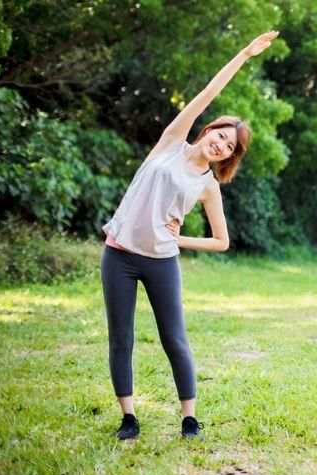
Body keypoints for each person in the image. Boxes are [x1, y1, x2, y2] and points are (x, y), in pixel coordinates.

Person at [101, 31, 279, 440]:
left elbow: (222, 241)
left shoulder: (208, 186)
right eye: (220, 134)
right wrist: (244, 54)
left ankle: (189, 418)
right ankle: (129, 417)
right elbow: (208, 91)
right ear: (208, 130)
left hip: (162, 260)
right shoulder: (169, 144)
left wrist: (179, 241)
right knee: (121, 339)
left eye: (230, 147)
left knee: (174, 340)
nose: (221, 144)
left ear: (230, 156)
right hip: (119, 254)